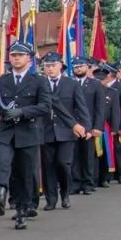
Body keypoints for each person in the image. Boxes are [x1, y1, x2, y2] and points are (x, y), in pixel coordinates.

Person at [0, 41, 45, 230]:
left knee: (24, 173)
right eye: (13, 55)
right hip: (5, 131)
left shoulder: (38, 81)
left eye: (20, 55)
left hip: (27, 132)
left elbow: (45, 106)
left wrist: (23, 112)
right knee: (2, 162)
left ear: (29, 59)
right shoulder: (1, 81)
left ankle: (22, 210)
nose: (16, 58)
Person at [37, 51, 84, 210]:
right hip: (46, 130)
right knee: (48, 166)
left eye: (53, 65)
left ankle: (65, 192)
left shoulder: (72, 84)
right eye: (47, 66)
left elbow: (81, 107)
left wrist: (86, 126)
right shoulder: (39, 83)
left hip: (67, 131)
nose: (50, 68)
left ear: (60, 66)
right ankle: (51, 199)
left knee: (64, 163)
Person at [69, 54, 106, 194]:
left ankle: (88, 183)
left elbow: (100, 108)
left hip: (89, 127)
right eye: (76, 67)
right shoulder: (69, 83)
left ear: (87, 67)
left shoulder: (95, 84)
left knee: (88, 156)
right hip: (73, 126)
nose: (78, 69)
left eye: (81, 66)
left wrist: (97, 127)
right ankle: (75, 183)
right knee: (74, 156)